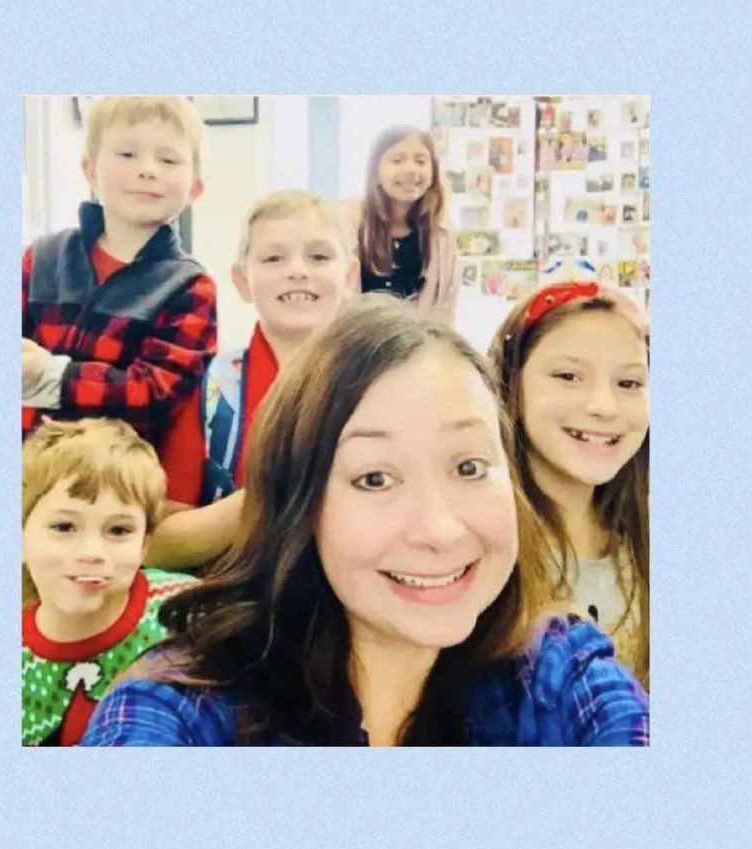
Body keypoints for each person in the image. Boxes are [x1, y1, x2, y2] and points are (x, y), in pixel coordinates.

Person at [81, 297, 649, 746]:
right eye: (375, 478)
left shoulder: (560, 680)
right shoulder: (182, 710)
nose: (440, 530)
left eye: (469, 467)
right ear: (300, 501)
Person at [147, 190, 359, 568]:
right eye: (274, 258)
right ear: (242, 282)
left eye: (319, 257)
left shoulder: (382, 383)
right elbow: (160, 544)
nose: (298, 270)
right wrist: (271, 494)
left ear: (350, 276)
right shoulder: (211, 388)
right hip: (239, 591)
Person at [21, 96, 217, 465]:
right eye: (127, 154)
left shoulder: (190, 287)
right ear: (90, 170)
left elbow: (157, 395)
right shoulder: (41, 258)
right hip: (28, 471)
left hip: (118, 483)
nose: (147, 170)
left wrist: (53, 377)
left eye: (168, 160)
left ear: (195, 188)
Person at [488, 282, 649, 687]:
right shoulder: (482, 546)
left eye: (628, 383)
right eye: (568, 376)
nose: (603, 406)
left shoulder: (652, 534)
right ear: (512, 382)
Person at [21, 418, 197, 745]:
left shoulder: (188, 609)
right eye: (64, 527)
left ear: (145, 544)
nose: (92, 552)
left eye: (118, 530)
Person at [341, 126, 459, 322]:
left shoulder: (442, 235)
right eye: (397, 160)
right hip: (354, 337)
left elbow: (445, 310)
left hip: (418, 339)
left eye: (420, 161)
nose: (411, 170)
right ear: (375, 172)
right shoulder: (346, 224)